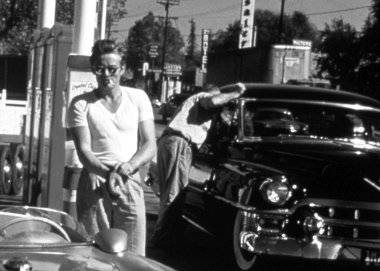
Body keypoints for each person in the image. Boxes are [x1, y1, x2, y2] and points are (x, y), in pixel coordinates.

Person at [67, 39, 156, 255]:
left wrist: (127, 167)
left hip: (129, 178)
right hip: (95, 179)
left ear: (123, 69)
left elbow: (149, 144)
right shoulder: (81, 104)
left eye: (112, 69)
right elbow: (84, 151)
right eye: (100, 68)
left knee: (134, 252)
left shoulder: (138, 98)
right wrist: (108, 173)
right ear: (93, 70)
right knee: (93, 250)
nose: (106, 74)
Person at [150, 82, 246, 248]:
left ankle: (169, 233)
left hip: (169, 142)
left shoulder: (195, 107)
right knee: (175, 193)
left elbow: (220, 119)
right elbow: (213, 102)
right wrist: (236, 93)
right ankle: (162, 239)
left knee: (169, 191)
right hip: (180, 143)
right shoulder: (203, 97)